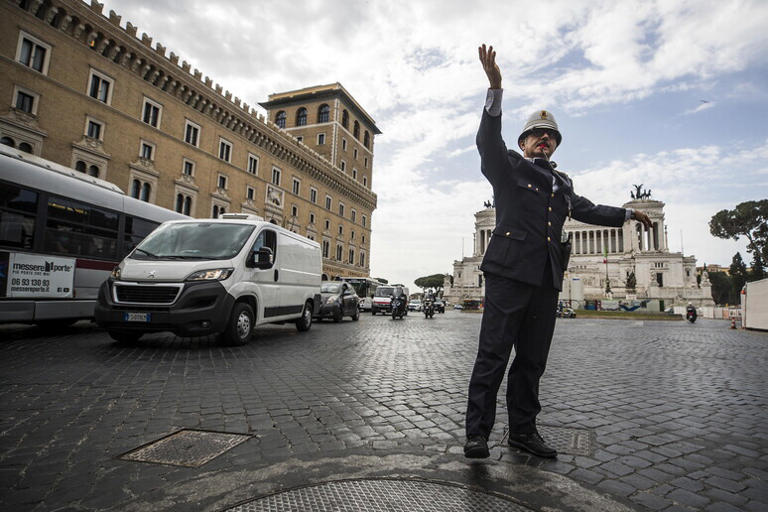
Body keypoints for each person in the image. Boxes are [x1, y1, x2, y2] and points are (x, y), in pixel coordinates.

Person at [464, 44, 653, 459]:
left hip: (547, 279)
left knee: (532, 362)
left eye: (550, 137)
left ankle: (523, 432)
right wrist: (495, 90)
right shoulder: (509, 166)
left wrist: (628, 213)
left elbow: (590, 210)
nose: (544, 139)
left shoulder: (562, 185)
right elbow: (486, 141)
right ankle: (477, 433)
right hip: (509, 273)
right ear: (524, 141)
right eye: (537, 135)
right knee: (493, 355)